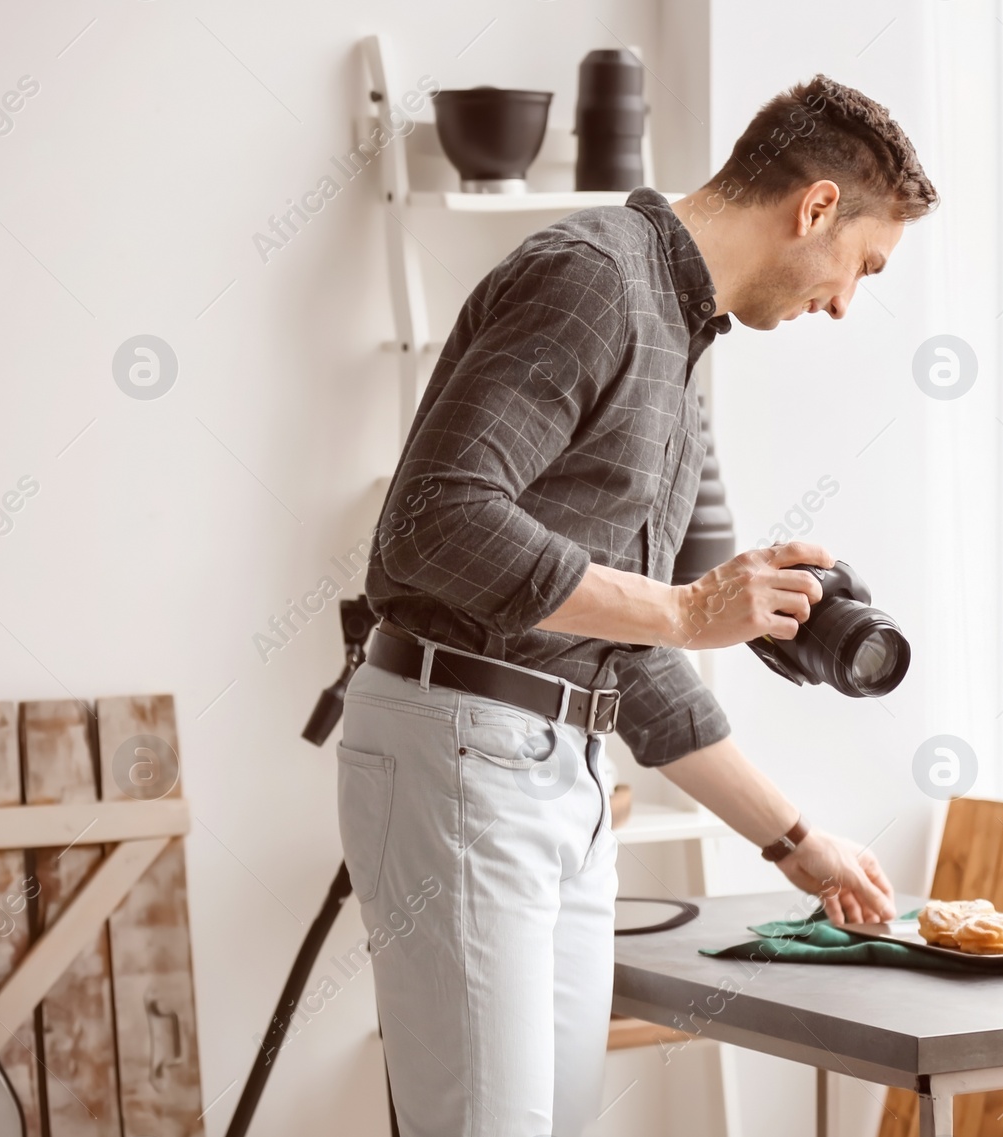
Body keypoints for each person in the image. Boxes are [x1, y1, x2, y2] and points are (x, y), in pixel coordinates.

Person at [337, 73, 937, 1137]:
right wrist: (687, 611)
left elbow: (630, 641)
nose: (845, 302)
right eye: (862, 265)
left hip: (556, 766)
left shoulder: (678, 340)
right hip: (467, 748)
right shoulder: (594, 282)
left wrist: (798, 842)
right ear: (816, 208)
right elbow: (431, 520)